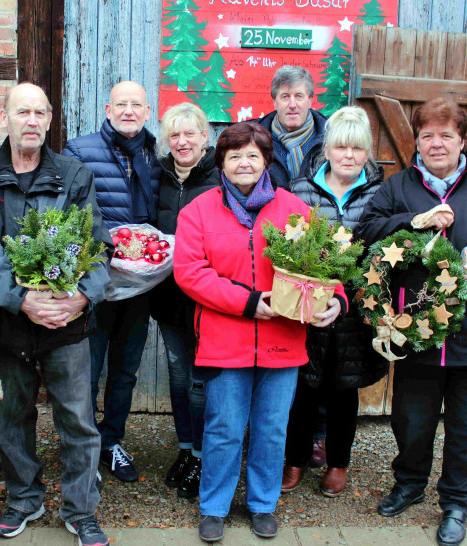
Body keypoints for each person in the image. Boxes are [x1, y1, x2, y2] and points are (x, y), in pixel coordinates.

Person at [173, 122, 345, 543]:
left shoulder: (294, 210)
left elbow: (325, 264)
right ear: (221, 164)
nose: (244, 163)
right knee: (223, 427)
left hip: (282, 340)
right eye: (234, 156)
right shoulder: (197, 211)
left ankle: (263, 504)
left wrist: (337, 300)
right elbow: (190, 273)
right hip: (223, 339)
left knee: (271, 428)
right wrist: (249, 302)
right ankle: (214, 506)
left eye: (252, 155)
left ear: (267, 160)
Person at [0, 83, 111, 546]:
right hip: (11, 324)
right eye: (21, 112)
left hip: (69, 325)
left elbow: (97, 245)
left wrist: (81, 298)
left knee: (78, 419)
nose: (31, 121)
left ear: (50, 120)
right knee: (13, 415)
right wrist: (21, 299)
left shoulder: (74, 175)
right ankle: (24, 499)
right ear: (3, 118)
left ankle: (80, 509)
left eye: (39, 113)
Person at [356, 97, 467, 546]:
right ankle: (409, 483)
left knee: (463, 424)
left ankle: (457, 501)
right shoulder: (399, 186)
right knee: (412, 418)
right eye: (427, 135)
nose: (435, 143)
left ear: (462, 140)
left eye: (446, 135)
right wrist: (415, 220)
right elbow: (367, 231)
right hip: (415, 328)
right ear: (416, 140)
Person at [282, 106, 388, 498]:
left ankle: (338, 465)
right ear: (327, 149)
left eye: (357, 149)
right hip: (308, 308)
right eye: (341, 146)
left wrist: (352, 299)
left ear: (367, 153)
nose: (348, 155)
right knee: (304, 389)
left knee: (344, 390)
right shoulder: (301, 189)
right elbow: (286, 244)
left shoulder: (380, 193)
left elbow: (383, 249)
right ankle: (294, 461)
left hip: (356, 310)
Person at [63, 80, 160, 481]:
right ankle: (83, 448)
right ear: (107, 109)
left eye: (136, 105)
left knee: (126, 369)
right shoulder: (79, 150)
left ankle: (111, 441)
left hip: (140, 285)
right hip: (96, 281)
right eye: (121, 104)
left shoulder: (157, 156)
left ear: (147, 111)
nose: (128, 111)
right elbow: (70, 212)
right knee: (87, 367)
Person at [153, 103, 218, 498]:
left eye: (190, 133)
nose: (182, 141)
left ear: (204, 138)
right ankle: (185, 450)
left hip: (205, 300)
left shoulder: (216, 177)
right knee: (178, 379)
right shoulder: (157, 176)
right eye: (174, 135)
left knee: (199, 383)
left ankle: (202, 454)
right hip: (166, 297)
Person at [256, 65, 327, 191]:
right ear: (274, 102)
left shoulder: (330, 137)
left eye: (299, 96)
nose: (292, 105)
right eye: (285, 96)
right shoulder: (255, 138)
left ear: (310, 100)